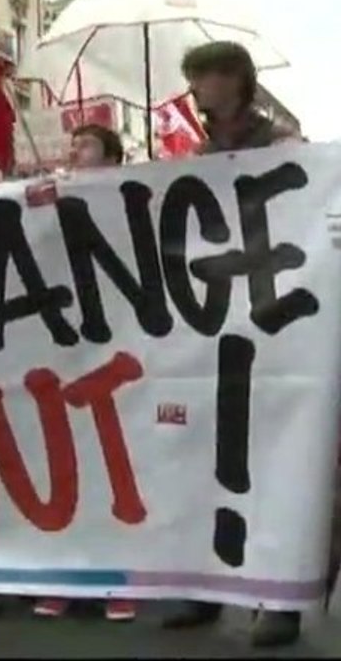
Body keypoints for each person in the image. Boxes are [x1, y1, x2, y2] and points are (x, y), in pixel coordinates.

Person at [162, 40, 302, 649]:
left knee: (276, 459)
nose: (198, 89)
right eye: (193, 78)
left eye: (206, 77)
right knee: (206, 456)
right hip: (215, 325)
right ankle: (206, 585)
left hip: (274, 318)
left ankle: (279, 594)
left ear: (236, 80)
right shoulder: (197, 154)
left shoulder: (280, 145)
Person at [32, 123, 134, 623]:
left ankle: (118, 579)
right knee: (65, 466)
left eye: (87, 144)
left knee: (117, 466)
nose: (75, 149)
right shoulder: (51, 195)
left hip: (119, 348)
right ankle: (67, 577)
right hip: (64, 347)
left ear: (114, 157)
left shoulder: (136, 196)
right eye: (72, 143)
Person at [182, 40, 300, 154]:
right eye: (191, 79)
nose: (192, 88)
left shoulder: (279, 140)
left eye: (200, 78)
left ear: (234, 79)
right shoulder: (198, 148)